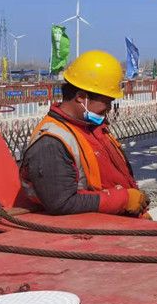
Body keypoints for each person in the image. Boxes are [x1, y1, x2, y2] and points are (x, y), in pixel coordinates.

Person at [19, 50, 149, 217]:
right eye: (107, 102)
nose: (109, 109)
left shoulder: (90, 128)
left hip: (116, 223)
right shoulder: (51, 143)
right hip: (91, 233)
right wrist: (123, 200)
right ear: (81, 97)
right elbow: (61, 203)